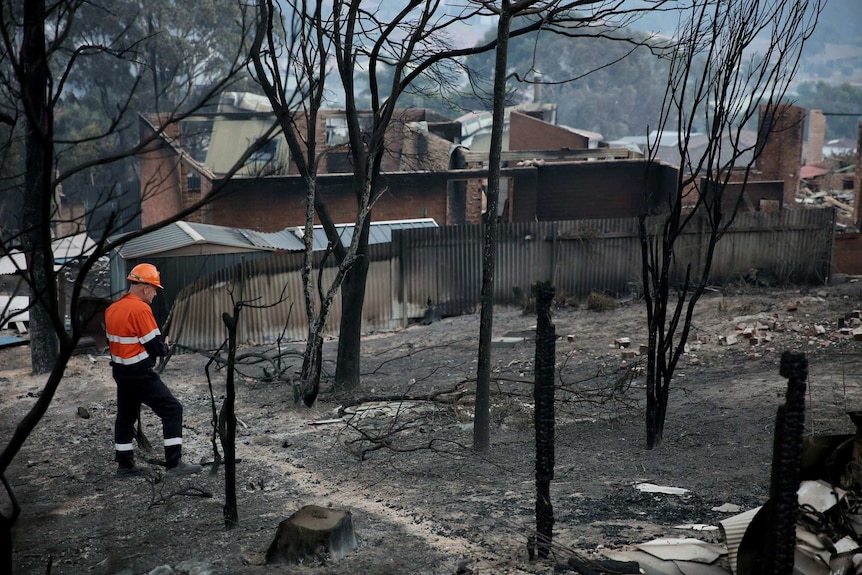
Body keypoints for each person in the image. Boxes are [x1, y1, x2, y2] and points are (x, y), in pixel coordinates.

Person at [105, 263, 202, 476]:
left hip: (121, 372)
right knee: (172, 409)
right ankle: (174, 464)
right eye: (155, 289)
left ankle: (125, 464)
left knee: (126, 416)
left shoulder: (113, 308)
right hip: (140, 374)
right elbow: (155, 347)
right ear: (145, 287)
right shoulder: (140, 309)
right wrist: (165, 346)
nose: (156, 294)